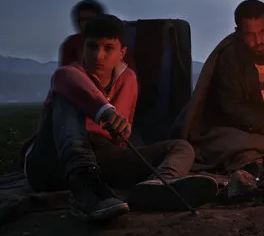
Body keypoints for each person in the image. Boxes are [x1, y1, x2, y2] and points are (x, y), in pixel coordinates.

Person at [21, 15, 217, 221]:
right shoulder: (67, 75)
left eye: (108, 48)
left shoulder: (128, 80)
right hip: (53, 159)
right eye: (92, 47)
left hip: (101, 156)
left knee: (181, 147)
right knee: (66, 100)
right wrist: (105, 111)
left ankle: (157, 186)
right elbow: (68, 81)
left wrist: (122, 132)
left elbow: (119, 138)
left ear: (122, 52)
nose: (99, 56)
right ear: (82, 49)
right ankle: (88, 191)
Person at [173, 0, 264, 172]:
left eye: (263, 31)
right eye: (250, 35)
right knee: (236, 145)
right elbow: (231, 106)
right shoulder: (230, 58)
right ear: (239, 32)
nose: (258, 41)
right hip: (246, 128)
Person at [59, 0, 105, 66]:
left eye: (89, 20)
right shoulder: (71, 44)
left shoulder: (113, 42)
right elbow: (66, 72)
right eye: (81, 20)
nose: (84, 24)